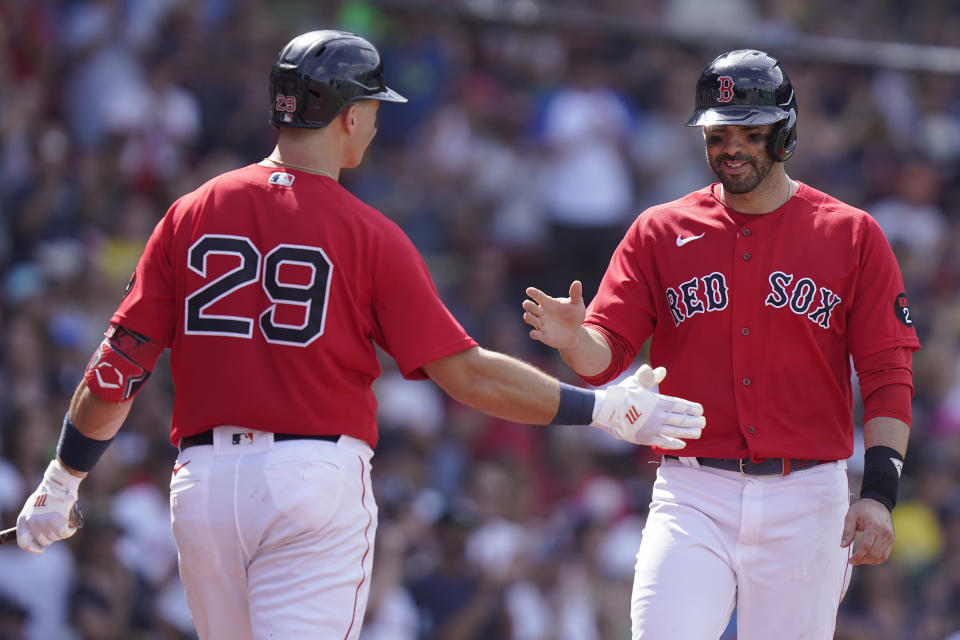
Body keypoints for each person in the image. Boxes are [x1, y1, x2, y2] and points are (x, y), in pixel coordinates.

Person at [13, 31, 706, 640]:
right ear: (348, 115)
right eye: (373, 109)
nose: (376, 124)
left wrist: (62, 478)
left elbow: (118, 366)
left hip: (202, 485)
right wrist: (601, 406)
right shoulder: (368, 233)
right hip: (310, 482)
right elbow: (466, 374)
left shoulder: (192, 211)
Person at [522, 49, 920, 639]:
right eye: (718, 132)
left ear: (784, 134)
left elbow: (888, 372)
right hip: (692, 492)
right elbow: (605, 357)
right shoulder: (660, 229)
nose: (731, 147)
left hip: (808, 496)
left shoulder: (851, 234)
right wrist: (573, 340)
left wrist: (880, 495)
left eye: (750, 132)